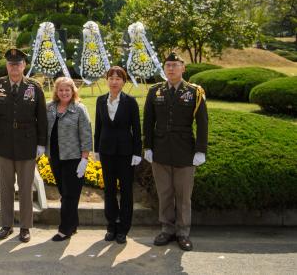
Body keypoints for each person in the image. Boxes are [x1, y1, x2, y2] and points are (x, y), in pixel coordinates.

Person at [143, 52, 208, 251]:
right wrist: (147, 147)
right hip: (161, 151)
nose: (171, 68)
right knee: (165, 193)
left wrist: (200, 150)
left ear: (183, 68)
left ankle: (183, 232)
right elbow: (148, 121)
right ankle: (167, 229)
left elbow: (203, 122)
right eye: (168, 65)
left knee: (183, 195)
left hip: (184, 151)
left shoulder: (194, 92)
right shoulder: (155, 91)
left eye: (175, 65)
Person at [0, 48, 47, 243]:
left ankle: (25, 226)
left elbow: (42, 118)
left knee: (25, 187)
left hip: (27, 143)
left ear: (24, 66)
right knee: (6, 186)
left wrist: (41, 143)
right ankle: (6, 224)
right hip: (4, 142)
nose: (14, 67)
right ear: (7, 66)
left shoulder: (34, 87)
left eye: (18, 64)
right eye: (11, 64)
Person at [93, 66, 142, 244]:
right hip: (106, 152)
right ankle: (111, 225)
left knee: (126, 191)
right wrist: (96, 149)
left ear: (124, 82)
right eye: (111, 78)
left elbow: (136, 129)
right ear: (107, 80)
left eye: (118, 78)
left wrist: (137, 152)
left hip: (126, 153)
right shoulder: (100, 101)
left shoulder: (130, 102)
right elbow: (98, 127)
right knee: (109, 191)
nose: (114, 82)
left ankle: (123, 228)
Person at [46, 77, 92, 241]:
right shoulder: (49, 108)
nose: (64, 93)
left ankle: (64, 229)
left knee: (70, 195)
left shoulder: (79, 109)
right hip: (55, 157)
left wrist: (84, 159)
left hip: (73, 158)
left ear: (73, 91)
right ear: (56, 92)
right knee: (64, 192)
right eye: (61, 90)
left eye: (67, 90)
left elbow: (86, 133)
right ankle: (73, 225)